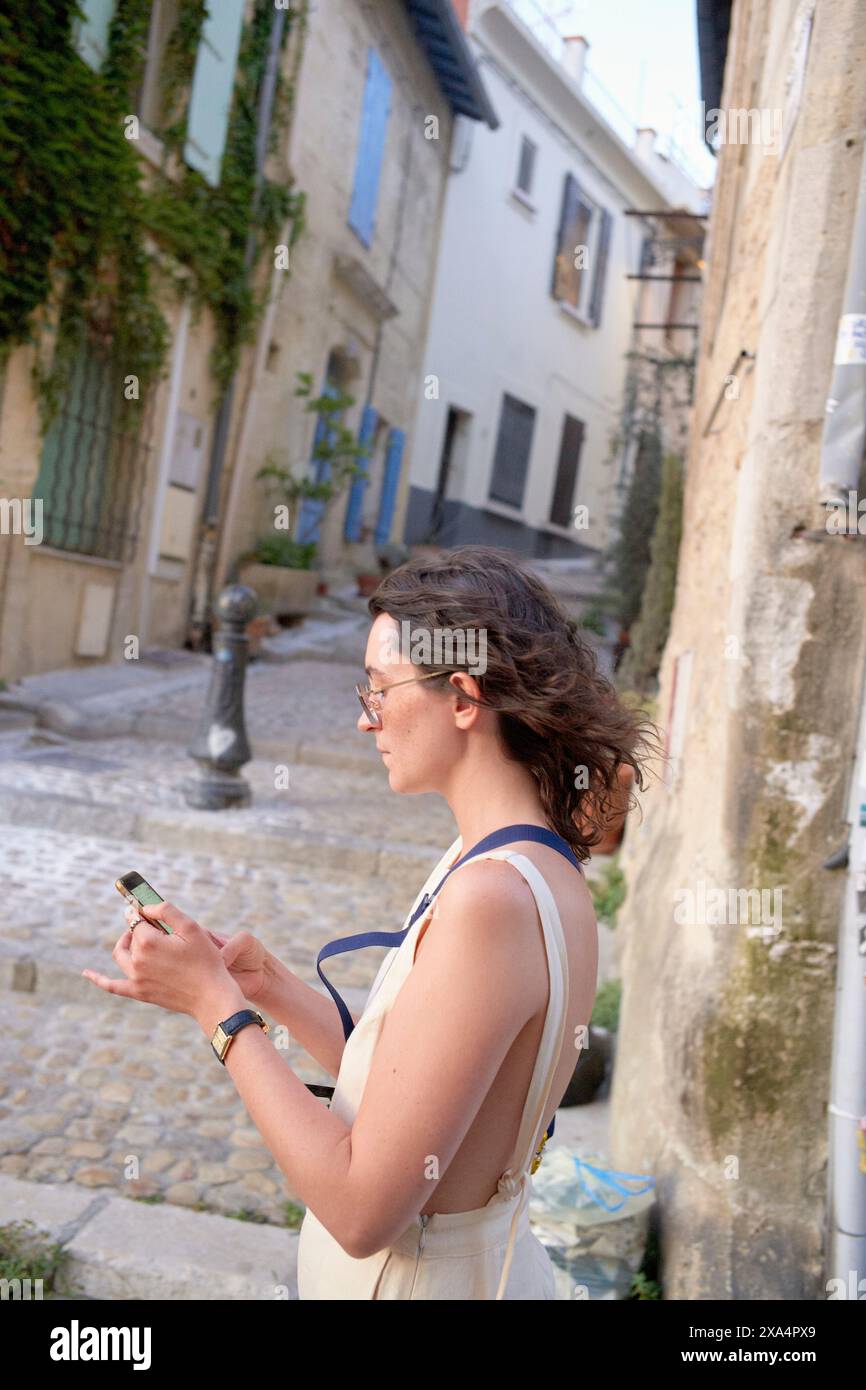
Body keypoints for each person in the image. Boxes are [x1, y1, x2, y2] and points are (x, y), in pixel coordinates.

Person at [83, 544, 657, 1300]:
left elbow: (362, 1211)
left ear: (461, 697)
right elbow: (417, 1090)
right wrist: (269, 987)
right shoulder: (532, 864)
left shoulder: (490, 900)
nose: (364, 718)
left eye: (381, 689)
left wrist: (215, 1009)